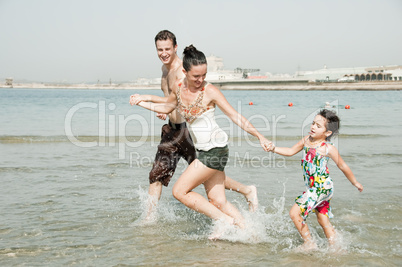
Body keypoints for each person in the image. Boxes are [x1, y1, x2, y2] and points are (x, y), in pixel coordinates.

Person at [130, 44, 272, 236]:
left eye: (204, 75)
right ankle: (250, 233)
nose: (201, 80)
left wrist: (260, 137)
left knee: (179, 191)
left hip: (215, 150)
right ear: (185, 72)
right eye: (196, 76)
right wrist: (142, 102)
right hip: (205, 151)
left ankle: (224, 221)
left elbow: (235, 116)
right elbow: (166, 108)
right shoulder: (179, 89)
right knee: (218, 201)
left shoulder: (210, 91)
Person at [268, 109, 363, 251]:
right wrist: (273, 148)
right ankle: (336, 246)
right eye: (313, 123)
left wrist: (355, 182)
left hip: (322, 188)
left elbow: (342, 165)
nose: (313, 127)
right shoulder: (306, 140)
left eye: (318, 126)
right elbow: (289, 151)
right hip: (314, 188)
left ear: (327, 133)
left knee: (294, 213)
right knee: (322, 220)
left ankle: (309, 243)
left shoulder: (327, 148)